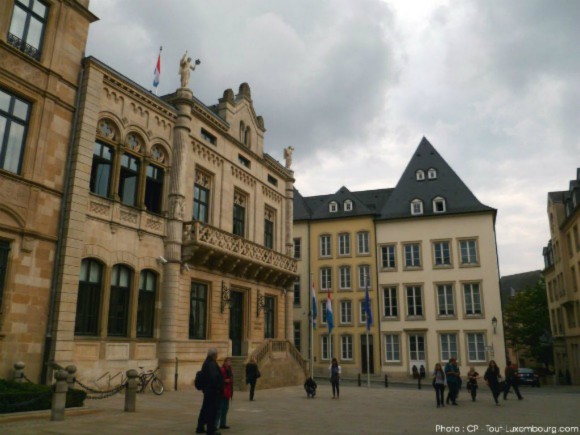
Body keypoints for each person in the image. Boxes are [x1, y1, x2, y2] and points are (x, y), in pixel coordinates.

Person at [196, 348, 224, 435]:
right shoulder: (211, 363)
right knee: (212, 411)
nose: (217, 356)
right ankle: (210, 430)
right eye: (217, 354)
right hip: (212, 391)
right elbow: (214, 377)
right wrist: (218, 388)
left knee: (205, 409)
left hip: (208, 390)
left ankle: (200, 427)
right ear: (214, 355)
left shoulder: (207, 362)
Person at [215, 357, 233, 430]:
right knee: (219, 409)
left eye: (230, 361)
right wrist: (224, 380)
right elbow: (218, 379)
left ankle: (223, 424)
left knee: (225, 409)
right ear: (225, 362)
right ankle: (215, 425)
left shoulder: (230, 370)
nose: (229, 363)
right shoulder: (222, 369)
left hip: (228, 392)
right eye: (228, 361)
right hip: (222, 392)